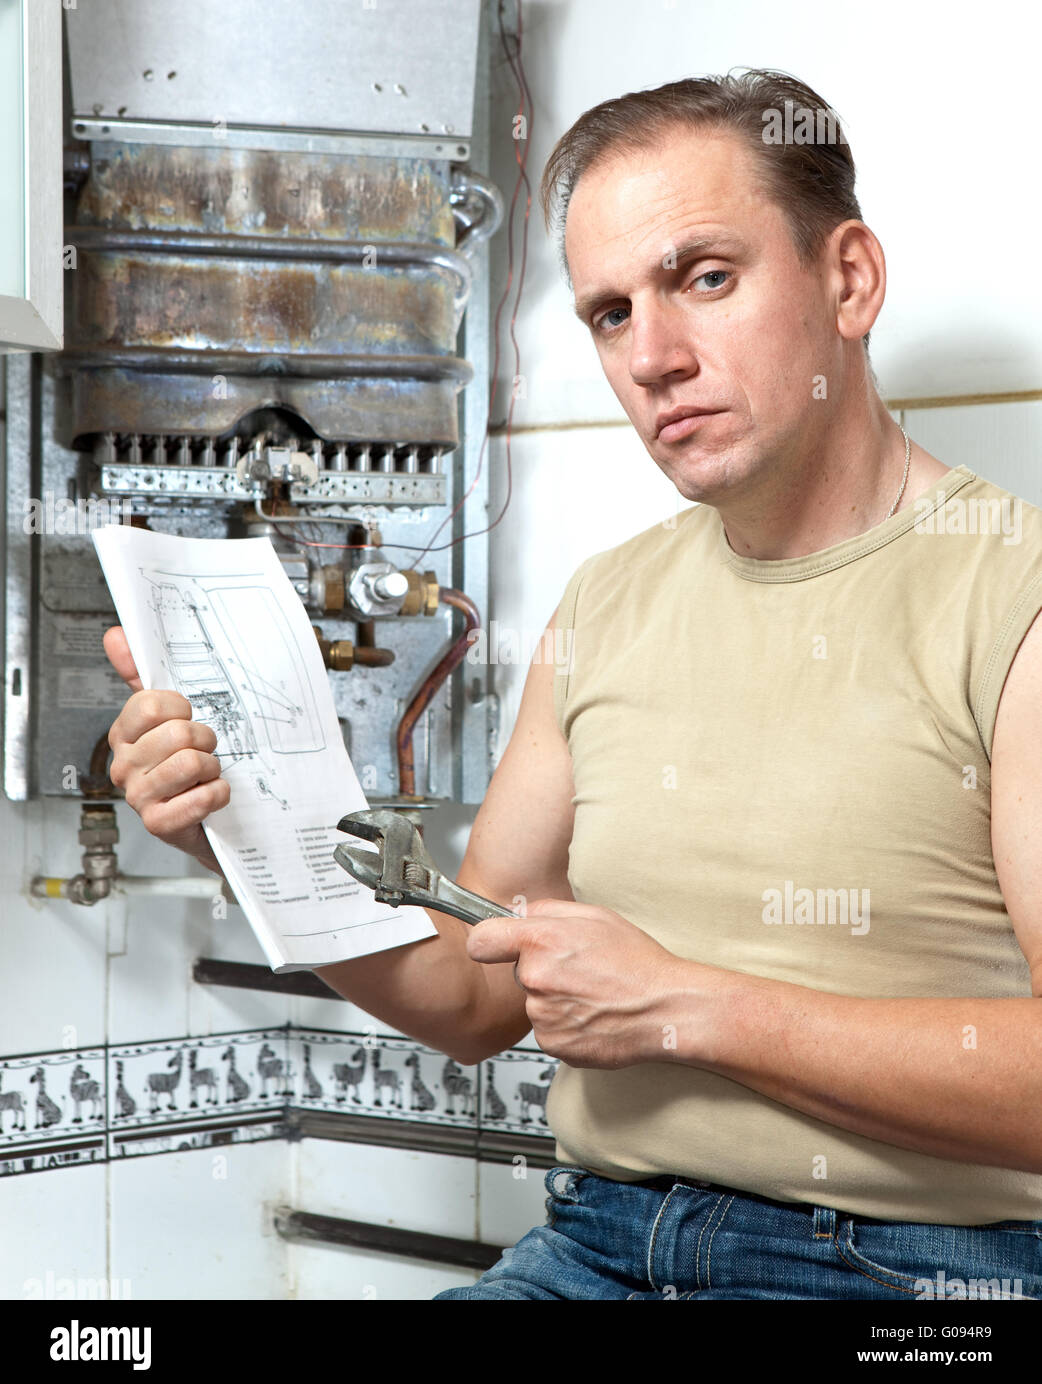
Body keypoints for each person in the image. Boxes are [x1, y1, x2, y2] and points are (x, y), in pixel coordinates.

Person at [105, 69, 1042, 1301]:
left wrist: (687, 1010)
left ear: (848, 279)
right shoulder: (605, 604)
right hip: (598, 1248)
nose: (653, 356)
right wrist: (239, 828)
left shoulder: (1009, 594)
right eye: (608, 313)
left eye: (704, 276)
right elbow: (468, 987)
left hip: (910, 1277)